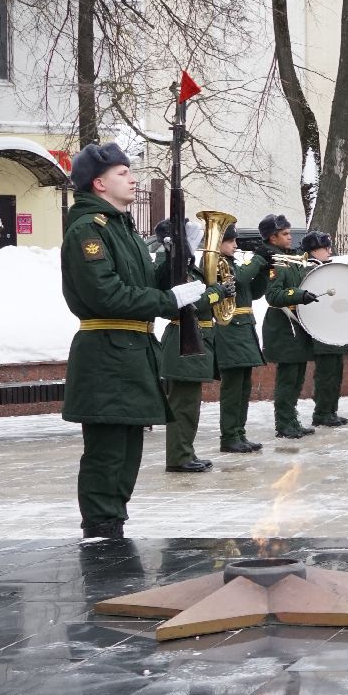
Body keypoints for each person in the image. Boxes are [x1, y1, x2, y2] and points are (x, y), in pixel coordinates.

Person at [61, 143, 210, 539]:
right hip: (106, 351)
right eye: (123, 173)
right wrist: (168, 300)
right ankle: (101, 529)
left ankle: (113, 524)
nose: (133, 178)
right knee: (108, 451)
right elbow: (105, 294)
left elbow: (145, 284)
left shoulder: (122, 228)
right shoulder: (87, 230)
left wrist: (178, 257)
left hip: (133, 350)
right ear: (99, 183)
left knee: (128, 451)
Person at [155, 219, 226, 474]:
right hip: (182, 340)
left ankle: (186, 452)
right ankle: (178, 457)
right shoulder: (171, 266)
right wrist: (218, 292)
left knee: (190, 404)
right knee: (182, 405)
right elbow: (190, 302)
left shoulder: (187, 267)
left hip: (194, 339)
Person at [259, 222, 322, 437]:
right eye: (284, 234)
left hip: (297, 325)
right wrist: (299, 295)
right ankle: (283, 423)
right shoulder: (274, 262)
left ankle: (292, 419)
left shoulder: (290, 258)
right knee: (287, 379)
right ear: (272, 238)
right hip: (283, 325)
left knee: (297, 377)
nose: (289, 237)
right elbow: (273, 295)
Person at [212, 219, 269, 453]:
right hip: (230, 329)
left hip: (244, 328)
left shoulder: (233, 264)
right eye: (231, 241)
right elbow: (241, 280)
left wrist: (264, 270)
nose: (235, 245)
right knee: (233, 388)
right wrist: (257, 259)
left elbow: (253, 292)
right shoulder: (216, 264)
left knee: (244, 386)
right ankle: (229, 436)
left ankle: (239, 433)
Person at [301, 232, 348, 427]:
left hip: (335, 327)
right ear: (314, 250)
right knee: (326, 375)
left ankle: (331, 410)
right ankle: (322, 412)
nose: (329, 251)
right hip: (322, 329)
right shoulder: (310, 270)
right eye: (326, 247)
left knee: (336, 372)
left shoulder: (325, 269)